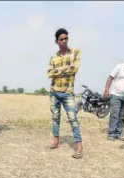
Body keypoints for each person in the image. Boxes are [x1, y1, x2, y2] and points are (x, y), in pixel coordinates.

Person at [47, 28, 83, 159]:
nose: (64, 41)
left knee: (73, 118)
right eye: (61, 39)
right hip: (54, 92)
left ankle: (79, 145)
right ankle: (56, 140)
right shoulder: (53, 58)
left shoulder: (75, 52)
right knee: (55, 117)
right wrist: (65, 69)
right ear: (57, 41)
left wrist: (57, 70)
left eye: (66, 38)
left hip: (68, 92)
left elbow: (75, 69)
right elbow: (49, 74)